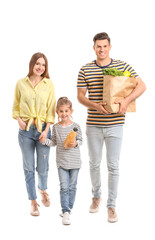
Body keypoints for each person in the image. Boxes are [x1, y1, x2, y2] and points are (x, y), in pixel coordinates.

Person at [77, 32, 146, 223]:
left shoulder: (122, 66)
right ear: (94, 48)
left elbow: (142, 86)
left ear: (110, 47)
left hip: (115, 125)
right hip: (93, 125)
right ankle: (96, 196)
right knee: (93, 163)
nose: (101, 49)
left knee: (113, 166)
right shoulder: (85, 69)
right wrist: (95, 105)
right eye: (98, 46)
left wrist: (126, 100)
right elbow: (81, 96)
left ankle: (111, 205)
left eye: (105, 46)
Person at [12, 52, 56, 216]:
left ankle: (42, 189)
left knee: (43, 168)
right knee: (28, 168)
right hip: (25, 130)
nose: (40, 67)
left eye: (43, 65)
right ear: (32, 64)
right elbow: (15, 105)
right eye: (38, 63)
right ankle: (33, 201)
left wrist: (46, 130)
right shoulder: (20, 83)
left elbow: (51, 109)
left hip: (43, 129)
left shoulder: (48, 84)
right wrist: (19, 120)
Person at [43, 97, 82, 225]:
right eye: (61, 111)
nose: (64, 114)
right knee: (64, 187)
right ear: (57, 112)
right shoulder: (56, 127)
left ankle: (68, 208)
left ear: (71, 111)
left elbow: (81, 140)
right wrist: (45, 141)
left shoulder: (76, 127)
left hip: (75, 162)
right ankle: (65, 211)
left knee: (72, 186)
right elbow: (53, 142)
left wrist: (75, 143)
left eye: (66, 111)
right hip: (61, 162)